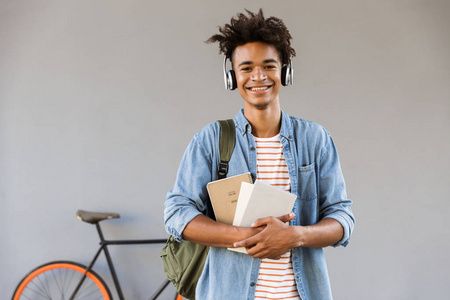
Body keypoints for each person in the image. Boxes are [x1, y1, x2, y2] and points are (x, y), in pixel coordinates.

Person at [164, 9, 354, 300]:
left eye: (268, 66)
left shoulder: (315, 139)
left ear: (285, 71)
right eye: (246, 68)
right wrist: (246, 236)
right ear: (232, 77)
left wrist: (295, 236)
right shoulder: (211, 140)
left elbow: (342, 218)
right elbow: (178, 214)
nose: (258, 77)